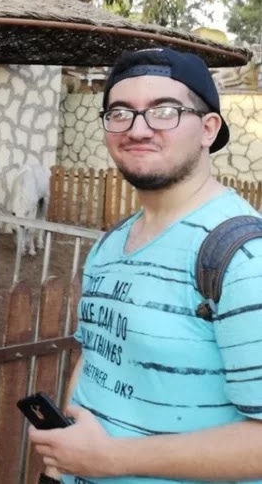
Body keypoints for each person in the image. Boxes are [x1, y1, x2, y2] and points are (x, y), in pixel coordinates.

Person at [30, 47, 262, 484]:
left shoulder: (243, 258)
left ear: (208, 128)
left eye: (165, 111)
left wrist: (109, 460)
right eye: (120, 113)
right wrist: (66, 450)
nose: (138, 129)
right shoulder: (113, 242)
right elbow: (97, 355)